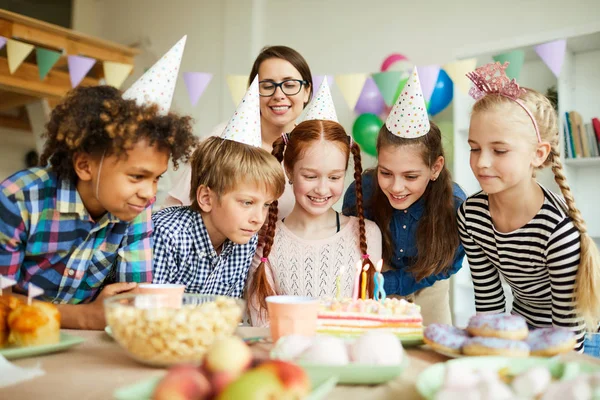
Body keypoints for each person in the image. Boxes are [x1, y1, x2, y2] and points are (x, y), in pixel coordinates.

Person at [0, 86, 196, 330]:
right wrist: (84, 316)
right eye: (137, 176)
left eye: (156, 178)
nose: (150, 193)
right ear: (84, 166)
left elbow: (133, 297)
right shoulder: (19, 199)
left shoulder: (136, 208)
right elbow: (1, 304)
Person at [457, 61, 600, 352]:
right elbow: (489, 303)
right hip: (524, 328)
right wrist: (490, 353)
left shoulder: (558, 231)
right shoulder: (471, 216)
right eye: (474, 148)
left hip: (582, 339)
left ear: (538, 154)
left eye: (499, 150)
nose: (482, 162)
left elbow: (568, 343)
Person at [247, 80, 381, 326]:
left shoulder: (368, 235)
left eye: (334, 177)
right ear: (288, 170)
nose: (321, 188)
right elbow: (263, 324)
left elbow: (369, 319)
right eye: (310, 176)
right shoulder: (266, 243)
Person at [344, 68, 466, 325]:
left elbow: (450, 262)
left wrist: (399, 283)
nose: (396, 187)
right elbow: (348, 246)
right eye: (386, 173)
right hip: (375, 286)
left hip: (429, 285)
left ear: (435, 167)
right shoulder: (361, 192)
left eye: (410, 176)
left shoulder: (454, 204)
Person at [152, 79, 286, 297]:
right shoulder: (168, 235)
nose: (258, 218)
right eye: (247, 202)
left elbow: (225, 312)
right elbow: (150, 315)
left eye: (266, 205)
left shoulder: (244, 239)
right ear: (206, 198)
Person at [165, 45, 314, 219]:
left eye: (289, 85)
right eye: (267, 86)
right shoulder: (223, 138)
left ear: (306, 91)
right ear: (253, 92)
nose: (279, 94)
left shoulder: (313, 149)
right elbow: (175, 208)